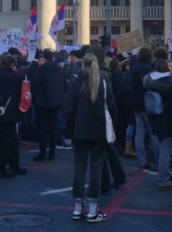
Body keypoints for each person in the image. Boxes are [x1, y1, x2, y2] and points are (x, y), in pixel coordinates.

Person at [63, 52, 116, 223]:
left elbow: (68, 108)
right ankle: (93, 209)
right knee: (96, 168)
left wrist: (70, 130)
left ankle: (78, 207)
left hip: (80, 130)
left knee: (79, 167)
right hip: (98, 130)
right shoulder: (104, 82)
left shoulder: (77, 82)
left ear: (82, 64)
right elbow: (112, 108)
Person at [143, 57, 172, 191]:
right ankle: (163, 179)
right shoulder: (170, 84)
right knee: (166, 148)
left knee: (160, 145)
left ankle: (164, 170)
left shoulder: (149, 82)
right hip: (167, 119)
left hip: (154, 117)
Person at [0, 53, 27, 178]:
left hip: (1, 110)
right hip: (12, 110)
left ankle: (7, 166)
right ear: (12, 65)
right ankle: (7, 167)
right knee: (10, 140)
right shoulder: (17, 76)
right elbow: (23, 77)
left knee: (5, 139)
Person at [32, 48, 67, 162]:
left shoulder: (41, 69)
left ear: (44, 58)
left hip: (42, 102)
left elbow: (36, 86)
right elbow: (64, 85)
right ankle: (52, 153)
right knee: (53, 127)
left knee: (42, 129)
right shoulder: (59, 70)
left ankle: (42, 153)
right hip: (56, 102)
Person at [130, 47, 155, 169]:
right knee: (153, 132)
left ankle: (142, 161)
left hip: (136, 104)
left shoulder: (134, 68)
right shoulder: (149, 69)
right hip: (147, 104)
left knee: (139, 133)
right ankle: (158, 159)